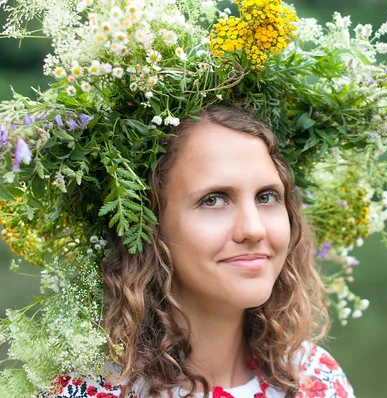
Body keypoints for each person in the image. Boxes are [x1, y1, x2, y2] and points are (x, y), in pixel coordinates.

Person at [38, 106, 355, 398]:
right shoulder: (90, 389)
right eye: (214, 199)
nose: (254, 229)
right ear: (150, 225)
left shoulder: (315, 379)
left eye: (267, 196)